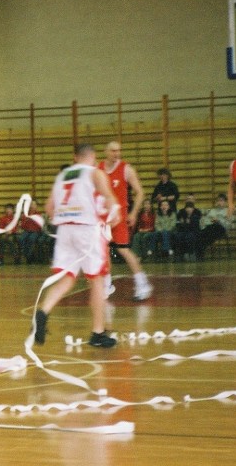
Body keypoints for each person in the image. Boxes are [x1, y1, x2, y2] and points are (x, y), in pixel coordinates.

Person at [33, 143, 120, 349]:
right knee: (96, 281)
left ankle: (43, 311)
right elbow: (109, 198)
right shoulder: (95, 173)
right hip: (86, 229)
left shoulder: (62, 176)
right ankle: (98, 332)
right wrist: (113, 215)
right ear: (93, 157)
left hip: (64, 231)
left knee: (67, 278)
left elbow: (49, 208)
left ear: (75, 157)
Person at [98, 141, 153, 301]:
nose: (117, 153)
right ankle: (107, 285)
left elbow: (140, 192)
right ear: (106, 151)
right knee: (104, 251)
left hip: (119, 218)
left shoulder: (126, 169)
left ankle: (142, 284)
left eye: (119, 151)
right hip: (102, 218)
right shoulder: (98, 169)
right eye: (113, 150)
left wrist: (134, 212)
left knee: (123, 250)